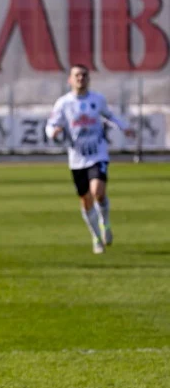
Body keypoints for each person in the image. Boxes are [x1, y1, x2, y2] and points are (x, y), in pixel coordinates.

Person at [45, 64, 135, 254]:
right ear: (70, 80)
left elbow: (110, 116)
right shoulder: (63, 103)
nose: (81, 78)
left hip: (97, 153)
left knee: (98, 192)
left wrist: (124, 127)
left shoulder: (97, 99)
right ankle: (96, 237)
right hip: (77, 158)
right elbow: (51, 124)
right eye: (77, 75)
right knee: (85, 200)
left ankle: (105, 223)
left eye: (84, 75)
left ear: (88, 78)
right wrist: (53, 132)